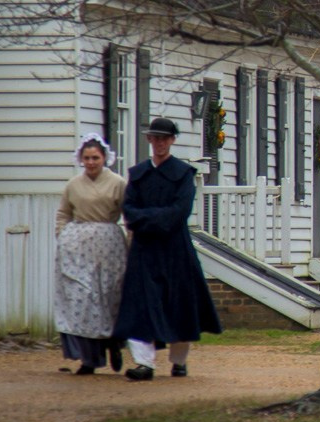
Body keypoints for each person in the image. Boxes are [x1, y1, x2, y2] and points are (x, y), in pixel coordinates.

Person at [113, 117, 222, 380]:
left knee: (180, 304)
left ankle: (179, 360)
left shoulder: (183, 174)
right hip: (144, 249)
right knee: (140, 303)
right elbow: (130, 212)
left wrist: (149, 219)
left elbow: (180, 211)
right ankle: (144, 363)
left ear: (172, 140)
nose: (159, 143)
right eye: (155, 138)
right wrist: (151, 220)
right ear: (149, 140)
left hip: (175, 249)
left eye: (164, 138)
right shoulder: (138, 174)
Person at [54, 134, 128, 375]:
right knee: (82, 297)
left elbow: (128, 213)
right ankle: (88, 358)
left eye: (95, 157)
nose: (91, 162)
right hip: (78, 246)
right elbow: (63, 213)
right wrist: (63, 235)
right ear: (81, 159)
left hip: (108, 243)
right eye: (87, 158)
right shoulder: (73, 185)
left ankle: (113, 343)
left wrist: (130, 239)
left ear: (104, 158)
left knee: (108, 296)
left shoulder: (117, 182)